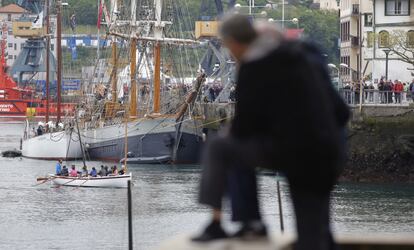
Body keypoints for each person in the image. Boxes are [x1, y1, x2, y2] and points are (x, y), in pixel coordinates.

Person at [192, 14, 349, 250]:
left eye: (227, 47)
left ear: (235, 42)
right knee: (316, 235)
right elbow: (341, 111)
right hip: (328, 150)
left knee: (221, 146)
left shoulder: (253, 67)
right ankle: (251, 222)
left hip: (298, 153)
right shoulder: (305, 50)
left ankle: (234, 222)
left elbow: (244, 129)